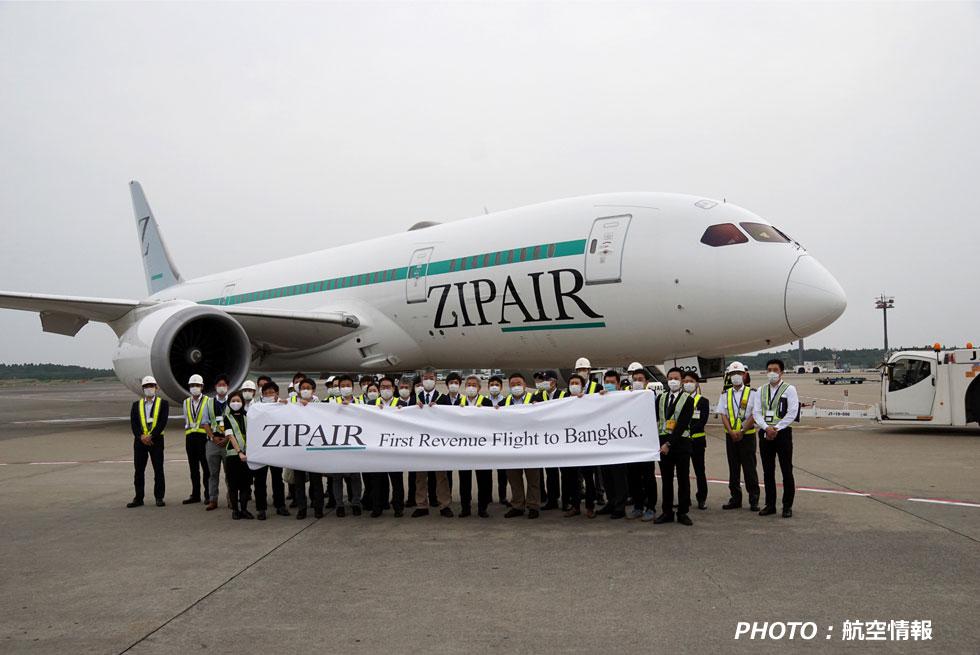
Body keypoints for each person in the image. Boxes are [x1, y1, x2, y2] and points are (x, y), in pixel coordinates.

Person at [752, 358, 799, 518]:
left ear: (782, 372)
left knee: (786, 470)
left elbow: (792, 412)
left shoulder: (789, 389)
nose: (772, 373)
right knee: (768, 471)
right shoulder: (761, 390)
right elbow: (756, 412)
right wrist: (766, 428)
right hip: (765, 432)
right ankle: (770, 504)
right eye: (769, 370)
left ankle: (787, 506)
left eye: (775, 370)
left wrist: (777, 428)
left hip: (782, 433)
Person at [655, 367, 695, 525]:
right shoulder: (661, 398)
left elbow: (682, 425)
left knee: (683, 480)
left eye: (676, 378)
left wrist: (669, 443)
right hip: (663, 446)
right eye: (670, 378)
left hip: (681, 445)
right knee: (666, 480)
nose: (673, 381)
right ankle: (667, 512)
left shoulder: (688, 399)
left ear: (682, 381)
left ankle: (683, 512)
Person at [718, 362, 760, 511]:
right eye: (732, 374)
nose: (735, 376)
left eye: (738, 374)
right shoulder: (725, 394)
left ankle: (754, 499)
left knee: (749, 469)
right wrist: (731, 431)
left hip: (747, 436)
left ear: (744, 375)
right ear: (729, 376)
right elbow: (723, 414)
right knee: (733, 468)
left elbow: (755, 414)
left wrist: (741, 431)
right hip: (731, 437)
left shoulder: (753, 393)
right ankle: (735, 498)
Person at [412, 368, 453, 518]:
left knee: (441, 476)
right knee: (420, 476)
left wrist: (439, 409)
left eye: (431, 378)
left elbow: (451, 417)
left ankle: (444, 505)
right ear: (422, 380)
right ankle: (421, 505)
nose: (428, 380)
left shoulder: (443, 398)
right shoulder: (415, 398)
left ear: (436, 379)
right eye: (425, 378)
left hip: (438, 443)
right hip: (420, 443)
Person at [501, 373, 540, 519]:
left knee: (533, 479)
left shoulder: (536, 400)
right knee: (514, 478)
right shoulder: (504, 403)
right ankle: (517, 505)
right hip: (511, 447)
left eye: (519, 384)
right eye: (513, 384)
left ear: (525, 385)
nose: (516, 387)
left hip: (531, 446)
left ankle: (533, 505)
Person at [366, 376, 407, 518]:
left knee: (397, 481)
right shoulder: (371, 404)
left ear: (393, 389)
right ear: (379, 389)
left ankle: (398, 507)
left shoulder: (401, 404)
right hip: (377, 449)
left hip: (395, 449)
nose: (385, 389)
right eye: (382, 387)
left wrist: (403, 413)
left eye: (388, 387)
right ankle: (377, 507)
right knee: (377, 481)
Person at [561, 374, 599, 518]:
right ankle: (575, 506)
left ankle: (590, 507)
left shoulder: (589, 400)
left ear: (582, 387)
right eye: (572, 383)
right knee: (572, 478)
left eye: (577, 383)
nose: (574, 385)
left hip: (586, 445)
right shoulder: (563, 402)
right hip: (570, 446)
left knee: (589, 478)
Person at [127, 376, 168, 508]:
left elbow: (162, 422)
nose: (149, 388)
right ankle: (138, 498)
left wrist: (151, 436)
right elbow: (134, 424)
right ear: (142, 389)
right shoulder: (136, 405)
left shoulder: (163, 404)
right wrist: (141, 437)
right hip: (140, 442)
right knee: (139, 471)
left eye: (151, 386)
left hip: (156, 441)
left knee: (158, 470)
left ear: (156, 387)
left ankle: (159, 497)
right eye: (146, 386)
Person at [624, 363, 658, 521]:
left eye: (640, 379)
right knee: (634, 477)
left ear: (646, 382)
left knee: (649, 477)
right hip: (632, 444)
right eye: (635, 379)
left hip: (646, 444)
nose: (637, 382)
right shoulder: (626, 397)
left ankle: (651, 507)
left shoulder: (652, 397)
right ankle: (638, 506)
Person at [456, 375, 493, 518]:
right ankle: (465, 507)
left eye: (474, 385)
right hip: (464, 448)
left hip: (482, 447)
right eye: (468, 385)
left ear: (479, 388)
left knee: (484, 479)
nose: (471, 387)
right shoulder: (458, 403)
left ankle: (483, 507)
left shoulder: (487, 402)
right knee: (464, 480)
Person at [291, 379, 326, 519]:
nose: (305, 390)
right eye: (303, 388)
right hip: (298, 448)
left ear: (314, 390)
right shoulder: (292, 404)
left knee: (316, 481)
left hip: (314, 449)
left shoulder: (320, 405)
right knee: (299, 482)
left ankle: (318, 508)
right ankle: (302, 508)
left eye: (308, 387)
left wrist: (310, 407)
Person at [595, 370, 628, 519]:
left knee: (619, 476)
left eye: (612, 383)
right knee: (606, 476)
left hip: (619, 444)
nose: (609, 385)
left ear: (618, 384)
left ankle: (620, 506)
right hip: (604, 444)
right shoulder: (600, 398)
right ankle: (611, 502)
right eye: (607, 382)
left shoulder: (625, 398)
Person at [332, 375, 364, 517]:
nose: (345, 388)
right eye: (343, 386)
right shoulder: (331, 402)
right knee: (337, 477)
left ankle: (356, 502)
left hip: (354, 444)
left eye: (348, 385)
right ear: (339, 388)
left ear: (353, 387)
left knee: (355, 477)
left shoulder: (360, 402)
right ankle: (339, 504)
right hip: (337, 445)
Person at [258, 382, 290, 517]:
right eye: (265, 393)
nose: (268, 395)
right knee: (260, 480)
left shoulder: (284, 406)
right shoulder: (257, 408)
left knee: (277, 479)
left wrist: (285, 405)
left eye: (271, 392)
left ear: (277, 393)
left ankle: (280, 505)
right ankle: (261, 508)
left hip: (276, 449)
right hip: (261, 449)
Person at [534, 370, 563, 511]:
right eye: (544, 380)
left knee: (557, 471)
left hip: (560, 438)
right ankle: (547, 497)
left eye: (548, 380)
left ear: (554, 381)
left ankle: (558, 498)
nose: (545, 382)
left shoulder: (564, 395)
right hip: (543, 438)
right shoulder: (538, 396)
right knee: (545, 470)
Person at [682, 370, 711, 511]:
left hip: (697, 442)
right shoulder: (680, 399)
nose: (688, 384)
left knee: (700, 471)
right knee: (683, 472)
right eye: (685, 381)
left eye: (691, 381)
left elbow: (702, 421)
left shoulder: (703, 401)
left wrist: (686, 431)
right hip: (683, 442)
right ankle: (685, 499)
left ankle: (701, 498)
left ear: (697, 384)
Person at [181, 374, 211, 505]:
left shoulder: (208, 401)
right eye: (192, 385)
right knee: (193, 469)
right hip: (190, 438)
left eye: (197, 385)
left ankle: (208, 494)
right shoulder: (186, 402)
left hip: (203, 437)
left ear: (202, 386)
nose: (194, 388)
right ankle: (195, 494)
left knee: (206, 468)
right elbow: (187, 419)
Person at [223, 390, 254, 520]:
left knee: (245, 485)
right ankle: (235, 510)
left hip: (247, 455)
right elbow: (230, 436)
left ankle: (244, 509)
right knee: (233, 485)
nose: (235, 403)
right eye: (233, 401)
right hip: (233, 455)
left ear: (242, 402)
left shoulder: (247, 416)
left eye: (238, 401)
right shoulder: (227, 418)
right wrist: (239, 452)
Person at [208, 374, 233, 509]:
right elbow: (205, 422)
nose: (221, 387)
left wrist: (227, 438)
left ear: (228, 386)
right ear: (215, 387)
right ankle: (213, 499)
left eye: (224, 385)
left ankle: (231, 498)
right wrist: (213, 437)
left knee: (230, 473)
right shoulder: (209, 403)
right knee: (213, 473)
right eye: (219, 385)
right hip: (213, 442)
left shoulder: (233, 402)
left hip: (228, 441)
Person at [485, 375, 510, 506]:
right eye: (492, 384)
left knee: (502, 473)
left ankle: (503, 496)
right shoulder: (483, 402)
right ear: (488, 387)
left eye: (497, 384)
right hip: (487, 441)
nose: (494, 387)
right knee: (487, 472)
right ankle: (488, 496)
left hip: (501, 441)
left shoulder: (507, 401)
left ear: (501, 387)